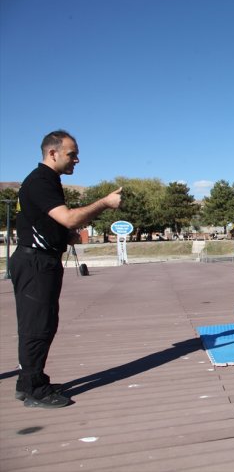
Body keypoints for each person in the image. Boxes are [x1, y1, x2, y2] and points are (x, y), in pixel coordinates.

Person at [10, 130, 122, 408]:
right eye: (72, 154)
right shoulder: (40, 181)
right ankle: (34, 389)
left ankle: (29, 381)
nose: (77, 160)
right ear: (53, 153)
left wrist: (62, 237)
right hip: (35, 262)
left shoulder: (48, 181)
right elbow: (68, 218)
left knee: (43, 323)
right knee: (37, 325)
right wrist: (105, 203)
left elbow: (46, 222)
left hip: (40, 259)